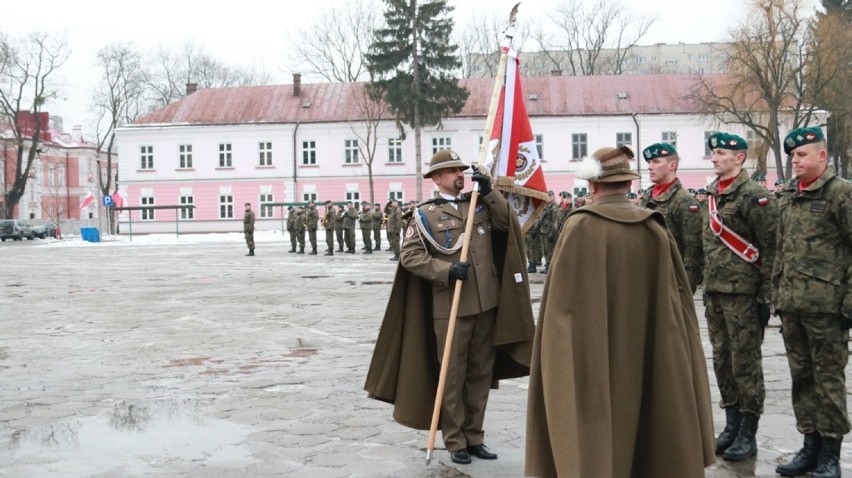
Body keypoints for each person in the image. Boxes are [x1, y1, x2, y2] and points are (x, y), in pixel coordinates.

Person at [525, 145, 715, 477]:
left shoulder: (579, 227)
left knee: (591, 430)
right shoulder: (655, 228)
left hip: (592, 358)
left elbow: (560, 312)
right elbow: (677, 307)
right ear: (628, 184)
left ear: (592, 186)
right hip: (647, 352)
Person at [364, 150, 535, 466]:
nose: (459, 174)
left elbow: (505, 224)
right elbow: (411, 256)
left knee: (480, 374)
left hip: (487, 302)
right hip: (452, 304)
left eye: (461, 169)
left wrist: (489, 191)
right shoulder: (425, 214)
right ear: (436, 178)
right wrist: (445, 271)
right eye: (452, 171)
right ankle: (455, 440)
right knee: (452, 376)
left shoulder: (479, 204)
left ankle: (474, 437)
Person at [772, 127, 851, 478]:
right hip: (793, 305)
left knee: (828, 380)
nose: (795, 160)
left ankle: (831, 455)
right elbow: (782, 247)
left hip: (827, 308)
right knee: (801, 378)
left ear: (822, 156)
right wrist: (776, 293)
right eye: (793, 155)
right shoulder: (790, 194)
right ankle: (810, 446)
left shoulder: (841, 194)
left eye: (802, 155)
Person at [703, 132, 778, 461]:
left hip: (745, 295)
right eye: (714, 153)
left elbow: (772, 247)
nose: (715, 158)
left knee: (745, 363)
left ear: (740, 158)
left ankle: (749, 430)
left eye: (721, 153)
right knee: (722, 361)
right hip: (716, 294)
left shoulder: (754, 196)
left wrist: (766, 296)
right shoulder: (712, 196)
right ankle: (731, 424)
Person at [639, 143, 704, 293]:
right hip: (645, 279)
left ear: (672, 165)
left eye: (656, 162)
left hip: (671, 281)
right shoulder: (646, 198)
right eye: (649, 162)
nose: (649, 167)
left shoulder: (685, 201)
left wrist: (685, 288)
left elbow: (693, 252)